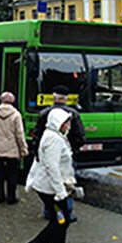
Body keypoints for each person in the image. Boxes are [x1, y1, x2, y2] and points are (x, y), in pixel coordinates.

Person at [22, 108, 79, 243]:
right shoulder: (54, 139)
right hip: (52, 192)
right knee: (61, 222)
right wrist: (60, 192)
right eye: (66, 122)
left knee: (60, 221)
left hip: (52, 189)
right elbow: (52, 168)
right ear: (58, 123)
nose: (68, 125)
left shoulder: (54, 136)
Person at [32, 85, 85, 221]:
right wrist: (73, 150)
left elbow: (36, 135)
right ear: (67, 99)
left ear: (53, 97)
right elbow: (80, 137)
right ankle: (67, 213)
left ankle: (49, 211)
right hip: (67, 155)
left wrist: (38, 153)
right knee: (67, 183)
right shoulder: (73, 114)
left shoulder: (44, 113)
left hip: (46, 155)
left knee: (49, 183)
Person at [0, 91, 28, 204]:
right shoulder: (16, 115)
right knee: (12, 174)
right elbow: (20, 134)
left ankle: (0, 196)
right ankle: (11, 197)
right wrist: (23, 149)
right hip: (11, 150)